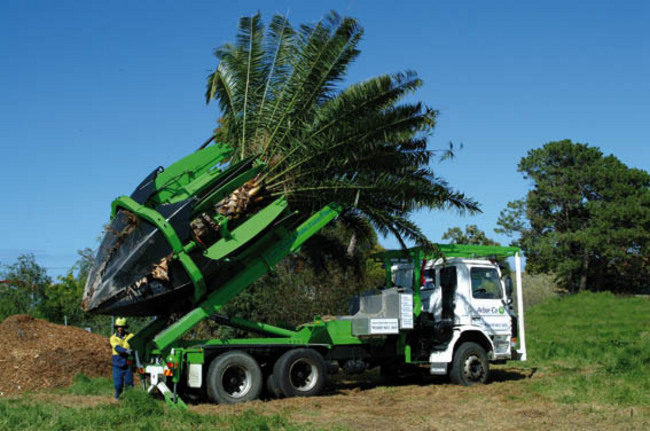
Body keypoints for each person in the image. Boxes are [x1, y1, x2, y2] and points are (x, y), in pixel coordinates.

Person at [110, 317, 135, 400]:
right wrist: (127, 351)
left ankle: (130, 399)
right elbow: (118, 348)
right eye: (119, 326)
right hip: (117, 363)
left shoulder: (131, 336)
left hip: (128, 364)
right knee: (118, 385)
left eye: (122, 326)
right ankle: (117, 396)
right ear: (116, 327)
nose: (120, 328)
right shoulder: (113, 338)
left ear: (125, 327)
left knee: (129, 383)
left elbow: (136, 342)